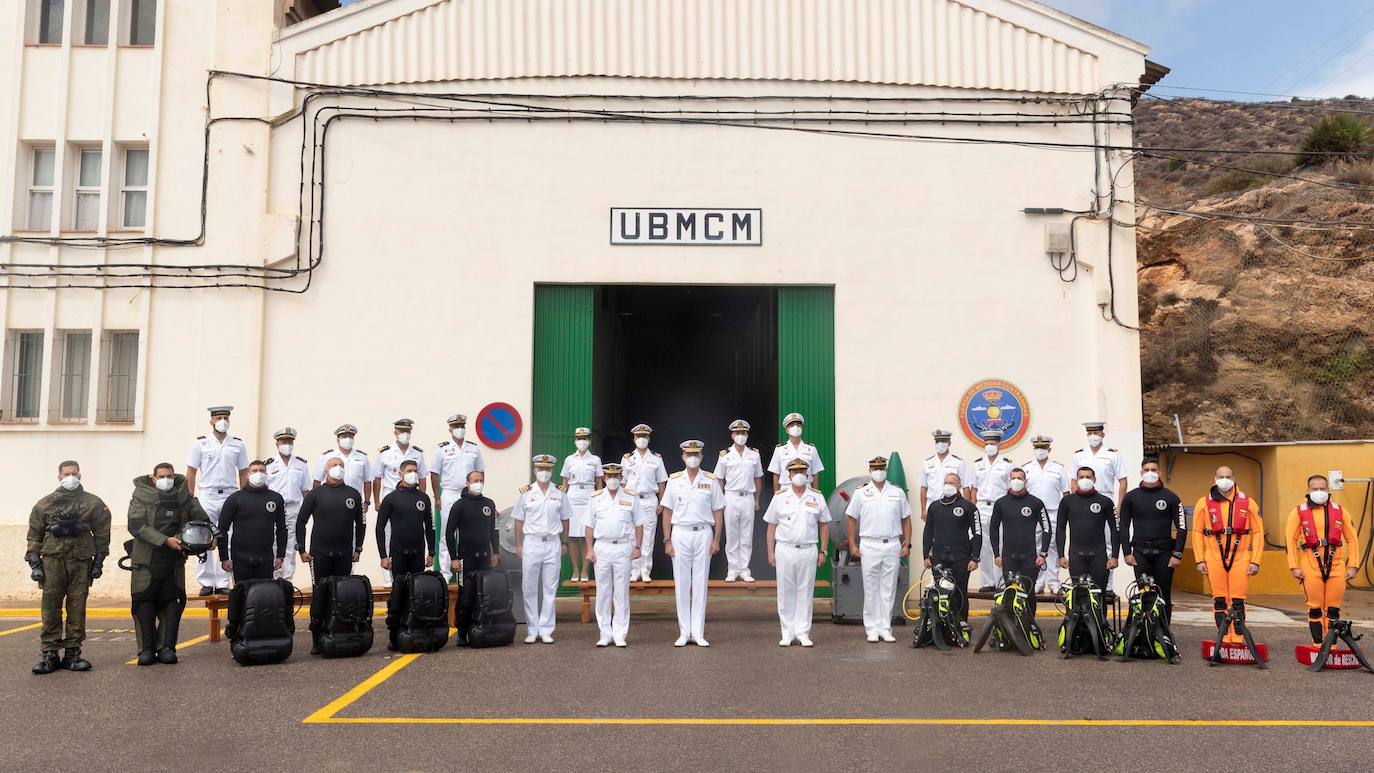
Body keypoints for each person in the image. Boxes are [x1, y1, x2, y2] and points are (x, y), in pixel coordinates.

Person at [26, 460, 111, 674]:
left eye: (74, 473)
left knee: (77, 607)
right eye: (66, 474)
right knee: (50, 607)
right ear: (59, 477)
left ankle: (73, 653)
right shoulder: (45, 504)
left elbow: (102, 535)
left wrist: (98, 563)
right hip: (52, 562)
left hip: (80, 562)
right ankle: (49, 654)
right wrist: (35, 563)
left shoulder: (93, 503)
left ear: (80, 476)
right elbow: (34, 535)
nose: (70, 477)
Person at [127, 463, 210, 666]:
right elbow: (135, 525)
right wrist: (165, 540)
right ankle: (145, 649)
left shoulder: (184, 496)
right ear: (154, 478)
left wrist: (209, 536)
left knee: (172, 603)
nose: (166, 479)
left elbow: (203, 520)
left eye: (170, 476)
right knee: (144, 602)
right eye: (162, 476)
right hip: (146, 561)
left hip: (174, 562)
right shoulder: (140, 496)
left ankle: (167, 647)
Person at [297, 456, 366, 654]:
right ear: (326, 471)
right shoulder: (316, 494)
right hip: (320, 553)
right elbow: (301, 521)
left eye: (341, 466)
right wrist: (302, 549)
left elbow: (361, 523)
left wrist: (358, 548)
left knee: (342, 595)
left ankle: (339, 632)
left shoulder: (353, 494)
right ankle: (317, 638)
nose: (339, 468)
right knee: (320, 595)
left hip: (344, 554)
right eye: (334, 465)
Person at [662, 440, 725, 647]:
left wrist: (716, 539)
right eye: (689, 454)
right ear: (682, 456)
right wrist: (667, 539)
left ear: (702, 457)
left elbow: (718, 511)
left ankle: (698, 632)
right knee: (681, 584)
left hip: (703, 533)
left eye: (696, 454)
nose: (692, 457)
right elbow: (667, 512)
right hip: (680, 533)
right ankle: (683, 632)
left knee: (700, 584)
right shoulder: (674, 480)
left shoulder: (711, 480)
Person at [1286, 474, 1361, 645]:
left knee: (1333, 609)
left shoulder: (1340, 511)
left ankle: (1331, 646)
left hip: (1337, 566)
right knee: (1315, 608)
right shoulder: (1298, 512)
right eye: (1315, 489)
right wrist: (1293, 566)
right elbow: (1290, 540)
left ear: (1328, 490)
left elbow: (1352, 539)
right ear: (1308, 491)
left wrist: (1354, 565)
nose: (1319, 492)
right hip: (1310, 566)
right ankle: (1318, 645)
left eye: (1323, 488)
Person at [1192, 466, 1263, 644]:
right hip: (1214, 557)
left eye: (1228, 476)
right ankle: (1223, 637)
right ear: (1214, 478)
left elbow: (1258, 532)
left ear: (1234, 478)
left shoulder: (1248, 503)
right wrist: (1199, 559)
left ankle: (1238, 638)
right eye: (1221, 476)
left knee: (1238, 600)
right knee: (1220, 600)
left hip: (1240, 557)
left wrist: (1255, 560)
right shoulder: (1203, 503)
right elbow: (1196, 532)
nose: (1224, 479)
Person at [845, 456, 913, 643]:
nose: (879, 471)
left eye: (882, 467)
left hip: (892, 544)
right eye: (875, 468)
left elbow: (906, 518)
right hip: (869, 544)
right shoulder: (861, 493)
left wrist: (906, 543)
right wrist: (852, 544)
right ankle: (872, 629)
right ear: (870, 471)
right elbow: (851, 518)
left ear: (886, 469)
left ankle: (885, 628)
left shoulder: (897, 492)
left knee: (888, 589)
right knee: (871, 588)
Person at [764, 458, 831, 647]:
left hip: (809, 549)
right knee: (785, 592)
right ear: (789, 475)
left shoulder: (816, 497)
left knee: (805, 592)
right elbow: (771, 526)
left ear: (808, 474)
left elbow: (824, 524)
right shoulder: (779, 496)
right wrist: (770, 552)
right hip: (785, 549)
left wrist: (823, 550)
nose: (799, 474)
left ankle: (802, 632)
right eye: (795, 472)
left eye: (803, 471)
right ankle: (787, 632)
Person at [185, 405, 248, 595]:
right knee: (203, 537)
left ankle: (222, 581)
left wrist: (245, 497)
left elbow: (243, 471)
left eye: (225, 418)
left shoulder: (237, 444)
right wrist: (190, 497)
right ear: (211, 421)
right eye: (218, 417)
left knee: (227, 537)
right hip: (207, 495)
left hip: (230, 494)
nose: (222, 421)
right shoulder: (201, 444)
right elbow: (191, 471)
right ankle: (206, 581)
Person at [584, 463, 645, 647]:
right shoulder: (595, 498)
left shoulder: (631, 497)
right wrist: (589, 548)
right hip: (602, 547)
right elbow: (588, 525)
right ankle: (605, 633)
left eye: (616, 476)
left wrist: (638, 547)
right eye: (609, 476)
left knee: (621, 593)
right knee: (603, 592)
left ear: (621, 478)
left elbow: (639, 524)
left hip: (623, 548)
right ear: (603, 478)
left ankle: (620, 634)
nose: (612, 480)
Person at [513, 454, 571, 643]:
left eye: (547, 469)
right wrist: (519, 544)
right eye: (540, 469)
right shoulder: (526, 493)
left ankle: (546, 629)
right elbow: (519, 521)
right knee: (529, 588)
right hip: (531, 542)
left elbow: (565, 519)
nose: (544, 472)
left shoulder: (560, 492)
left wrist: (565, 542)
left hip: (553, 543)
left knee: (550, 588)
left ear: (552, 470)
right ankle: (532, 629)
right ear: (535, 470)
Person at [1119, 458, 1186, 622]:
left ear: (1159, 473)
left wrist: (1177, 554)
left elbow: (1182, 527)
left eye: (1154, 470)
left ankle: (1164, 633)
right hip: (1140, 553)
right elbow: (1123, 526)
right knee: (1144, 594)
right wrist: (1127, 553)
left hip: (1165, 554)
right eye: (1147, 470)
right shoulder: (1131, 497)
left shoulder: (1171, 497)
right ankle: (1145, 632)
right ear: (1141, 473)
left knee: (1164, 594)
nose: (1150, 473)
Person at [446, 470, 500, 647]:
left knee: (483, 595)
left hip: (484, 558)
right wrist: (454, 558)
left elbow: (494, 530)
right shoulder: (459, 505)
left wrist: (495, 552)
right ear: (467, 483)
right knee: (465, 597)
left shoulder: (489, 504)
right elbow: (449, 533)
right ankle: (462, 633)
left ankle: (481, 629)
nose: (479, 483)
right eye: (475, 480)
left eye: (481, 480)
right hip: (465, 559)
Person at [1072, 420, 1128, 591]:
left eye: (1096, 433)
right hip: (1083, 502)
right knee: (1083, 541)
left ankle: (1107, 584)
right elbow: (1074, 481)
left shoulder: (1112, 454)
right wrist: (1076, 502)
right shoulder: (1079, 455)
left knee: (1109, 542)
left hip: (1105, 498)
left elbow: (1123, 481)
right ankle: (1083, 583)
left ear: (1103, 434)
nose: (1093, 437)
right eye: (1089, 434)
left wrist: (1119, 506)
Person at [988, 467, 1050, 618]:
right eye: (1013, 478)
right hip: (1008, 557)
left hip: (1030, 557)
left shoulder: (1036, 503)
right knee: (1010, 594)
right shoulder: (1001, 503)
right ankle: (1011, 631)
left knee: (1028, 594)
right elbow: (993, 528)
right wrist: (997, 554)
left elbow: (1047, 528)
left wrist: (1043, 554)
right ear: (1009, 482)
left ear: (1025, 481)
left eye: (1020, 478)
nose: (1016, 481)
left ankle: (1029, 628)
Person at [430, 414, 485, 583]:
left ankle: (464, 568)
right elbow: (434, 473)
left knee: (467, 531)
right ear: (450, 430)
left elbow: (480, 472)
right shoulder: (442, 449)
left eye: (462, 426)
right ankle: (446, 573)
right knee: (447, 532)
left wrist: (479, 492)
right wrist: (437, 497)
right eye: (456, 427)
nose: (460, 429)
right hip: (449, 493)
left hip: (468, 494)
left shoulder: (473, 448)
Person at [372, 418, 427, 583]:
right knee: (388, 535)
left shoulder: (417, 453)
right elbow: (377, 478)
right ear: (395, 432)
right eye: (402, 431)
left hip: (412, 495)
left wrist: (420, 499)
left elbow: (423, 477)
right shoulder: (386, 452)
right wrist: (376, 501)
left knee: (412, 533)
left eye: (408, 431)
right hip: (390, 495)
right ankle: (388, 579)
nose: (405, 434)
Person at [922, 472, 981, 625]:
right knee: (940, 592)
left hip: (961, 557)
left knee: (960, 593)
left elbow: (978, 533)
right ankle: (940, 626)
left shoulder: (969, 507)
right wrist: (926, 556)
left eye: (952, 483)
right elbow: (928, 532)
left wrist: (975, 558)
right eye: (946, 482)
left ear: (959, 487)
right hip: (939, 556)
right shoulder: (934, 506)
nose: (948, 485)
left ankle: (961, 625)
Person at [217, 460, 287, 583]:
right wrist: (224, 557)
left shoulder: (276, 499)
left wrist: (281, 556)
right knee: (242, 596)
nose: (258, 473)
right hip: (240, 559)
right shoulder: (235, 499)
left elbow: (282, 529)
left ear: (267, 474)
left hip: (265, 559)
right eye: (255, 471)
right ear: (248, 474)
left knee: (264, 597)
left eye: (262, 471)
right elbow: (222, 528)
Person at [713, 419, 764, 582]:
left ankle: (744, 569)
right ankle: (733, 569)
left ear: (747, 435)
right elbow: (719, 479)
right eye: (738, 433)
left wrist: (756, 500)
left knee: (746, 535)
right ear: (732, 435)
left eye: (743, 433)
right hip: (731, 496)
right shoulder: (724, 455)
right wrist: (719, 501)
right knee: (732, 535)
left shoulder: (754, 455)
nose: (741, 436)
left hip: (748, 497)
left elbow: (758, 478)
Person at [1056, 467, 1120, 590]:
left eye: (1088, 477)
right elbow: (1060, 528)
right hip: (1076, 556)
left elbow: (1115, 529)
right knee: (1077, 595)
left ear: (1094, 479)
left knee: (1098, 595)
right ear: (1076, 480)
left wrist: (1115, 556)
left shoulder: (1105, 501)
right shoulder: (1067, 501)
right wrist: (1061, 555)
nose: (1085, 480)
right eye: (1081, 477)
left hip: (1099, 556)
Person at [1022, 434, 1070, 593]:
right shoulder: (1027, 468)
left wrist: (1066, 513)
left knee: (1053, 546)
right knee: (1035, 546)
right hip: (1033, 514)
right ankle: (1038, 581)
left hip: (1053, 512)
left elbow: (1066, 493)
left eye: (1043, 448)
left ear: (1049, 449)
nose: (1040, 451)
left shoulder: (1058, 468)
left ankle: (1054, 582)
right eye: (1037, 448)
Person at [622, 424, 668, 582]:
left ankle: (645, 570)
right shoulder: (627, 458)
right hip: (631, 500)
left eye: (645, 436)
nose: (642, 439)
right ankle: (634, 570)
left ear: (649, 438)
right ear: (634, 438)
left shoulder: (656, 458)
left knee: (648, 536)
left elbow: (661, 482)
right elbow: (622, 482)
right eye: (639, 436)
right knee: (632, 536)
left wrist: (661, 503)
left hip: (649, 500)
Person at [264, 428, 311, 581]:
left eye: (290, 441)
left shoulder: (301, 464)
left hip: (293, 509)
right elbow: (263, 489)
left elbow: (306, 491)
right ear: (277, 443)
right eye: (284, 441)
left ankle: (287, 579)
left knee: (291, 545)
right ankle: (274, 577)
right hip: (273, 509)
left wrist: (310, 511)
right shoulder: (268, 465)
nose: (287, 444)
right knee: (273, 543)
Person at [376, 460, 435, 579]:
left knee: (417, 591)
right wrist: (383, 556)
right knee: (399, 591)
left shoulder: (424, 498)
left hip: (418, 553)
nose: (413, 473)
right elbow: (379, 528)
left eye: (415, 471)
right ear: (400, 474)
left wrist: (431, 553)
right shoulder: (390, 498)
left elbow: (430, 527)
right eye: (409, 471)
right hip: (398, 553)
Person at [973, 429, 1014, 592]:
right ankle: (987, 582)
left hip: (1000, 507)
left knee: (1000, 544)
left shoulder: (1007, 464)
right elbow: (974, 488)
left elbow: (1010, 488)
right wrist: (973, 508)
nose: (990, 446)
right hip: (982, 506)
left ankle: (1000, 582)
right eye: (987, 443)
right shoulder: (977, 464)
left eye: (993, 443)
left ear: (999, 444)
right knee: (983, 545)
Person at [561, 426, 603, 583]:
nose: (582, 441)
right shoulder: (569, 459)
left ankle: (585, 570)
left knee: (587, 534)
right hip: (573, 495)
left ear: (590, 440)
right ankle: (575, 569)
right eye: (579, 438)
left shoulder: (595, 460)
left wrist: (598, 500)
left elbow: (599, 483)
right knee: (572, 536)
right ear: (574, 440)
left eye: (585, 438)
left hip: (589, 495)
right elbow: (564, 483)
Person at [312, 423, 373, 513]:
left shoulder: (362, 457)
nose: (348, 439)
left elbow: (367, 481)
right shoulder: (327, 456)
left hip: (354, 501)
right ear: (338, 439)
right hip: (331, 501)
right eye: (344, 436)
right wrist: (317, 500)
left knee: (356, 526)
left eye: (350, 436)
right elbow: (317, 480)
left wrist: (366, 502)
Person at [919, 429, 972, 520]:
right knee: (933, 533)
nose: (940, 444)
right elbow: (923, 487)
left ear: (949, 443)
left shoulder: (958, 462)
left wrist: (966, 509)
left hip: (953, 505)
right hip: (932, 505)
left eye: (943, 441)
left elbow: (966, 487)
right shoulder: (927, 462)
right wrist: (923, 509)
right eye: (937, 441)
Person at [767, 412, 825, 493]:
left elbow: (815, 474)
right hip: (786, 489)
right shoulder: (779, 449)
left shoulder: (811, 448)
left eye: (798, 425)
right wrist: (776, 495)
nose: (795, 427)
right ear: (787, 430)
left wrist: (815, 493)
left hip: (806, 488)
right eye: (792, 425)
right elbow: (776, 475)